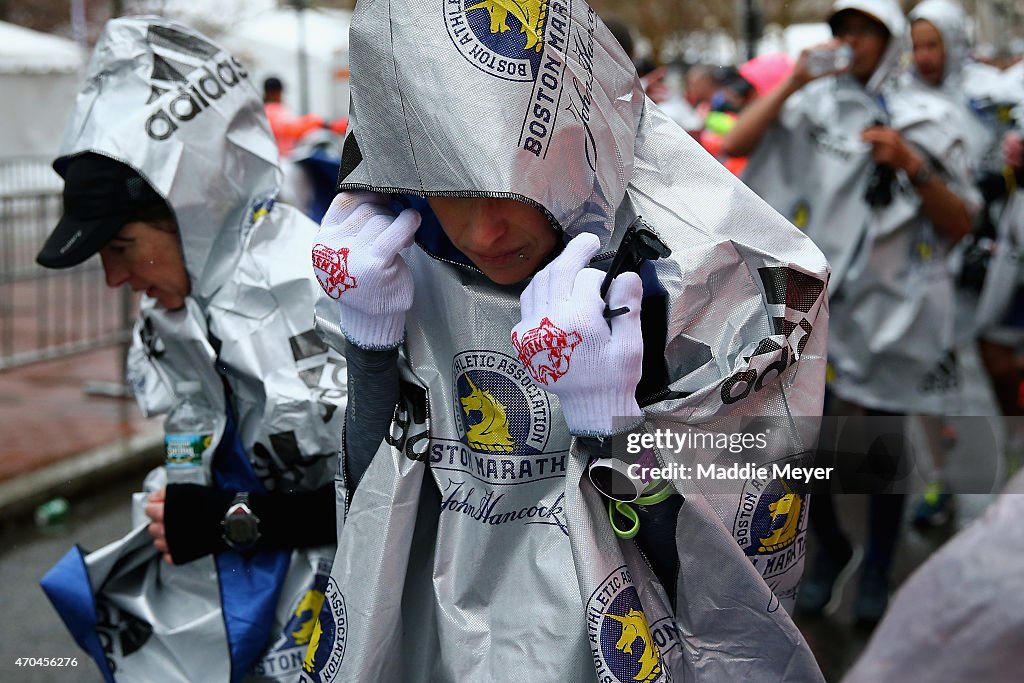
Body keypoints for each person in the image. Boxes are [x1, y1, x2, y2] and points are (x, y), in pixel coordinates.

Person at [300, 1, 831, 681]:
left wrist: (613, 430)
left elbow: (736, 592)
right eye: (451, 186)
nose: (484, 231)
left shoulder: (683, 274)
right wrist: (370, 343)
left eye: (509, 186)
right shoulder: (398, 246)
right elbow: (369, 507)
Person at [37, 18, 346, 682]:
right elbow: (190, 438)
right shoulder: (173, 310)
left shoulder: (320, 284)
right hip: (242, 613)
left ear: (193, 211)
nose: (116, 280)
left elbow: (410, 497)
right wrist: (182, 501)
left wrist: (237, 519)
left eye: (120, 248)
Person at [724, 0, 978, 626]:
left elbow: (961, 221)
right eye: (844, 29)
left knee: (882, 445)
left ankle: (878, 567)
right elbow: (735, 141)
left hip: (897, 314)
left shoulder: (930, 119)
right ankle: (832, 545)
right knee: (811, 438)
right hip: (822, 307)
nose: (854, 42)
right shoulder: (814, 105)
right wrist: (794, 81)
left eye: (869, 31)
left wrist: (912, 166)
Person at [263, 75, 347, 158]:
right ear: (276, 92)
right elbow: (291, 129)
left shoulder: (271, 109)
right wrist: (317, 122)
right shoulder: (270, 111)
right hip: (283, 158)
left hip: (287, 155)